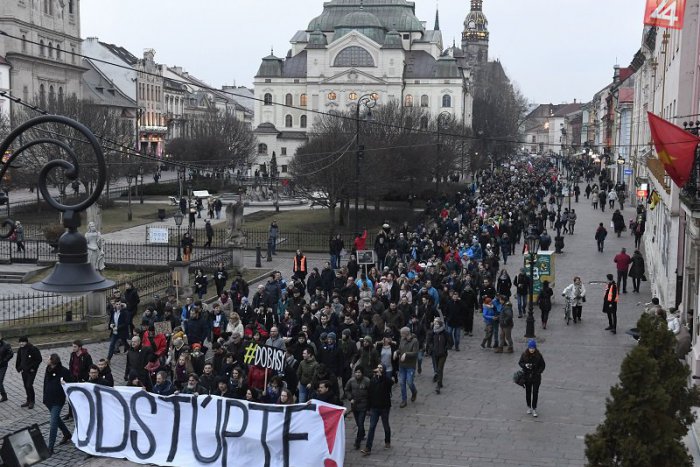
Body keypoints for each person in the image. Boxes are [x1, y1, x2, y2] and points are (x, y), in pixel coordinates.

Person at [43, 354, 72, 453]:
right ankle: (67, 434)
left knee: (53, 422)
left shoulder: (64, 371)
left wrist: (66, 384)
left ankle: (50, 447)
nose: (47, 360)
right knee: (56, 418)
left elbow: (72, 383)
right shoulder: (48, 369)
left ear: (52, 361)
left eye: (48, 358)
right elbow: (45, 383)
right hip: (48, 400)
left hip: (58, 401)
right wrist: (44, 397)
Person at [362, 364, 392, 455]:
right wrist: (368, 408)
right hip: (374, 408)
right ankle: (368, 447)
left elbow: (390, 383)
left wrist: (382, 376)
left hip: (384, 408)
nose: (379, 369)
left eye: (381, 368)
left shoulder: (386, 380)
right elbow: (369, 394)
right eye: (378, 367)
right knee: (371, 427)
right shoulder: (373, 380)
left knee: (385, 425)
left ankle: (387, 440)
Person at [344, 367, 370, 450]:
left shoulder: (367, 381)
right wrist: (350, 398)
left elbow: (371, 392)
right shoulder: (351, 381)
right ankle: (362, 434)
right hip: (354, 406)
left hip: (363, 405)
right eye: (356, 372)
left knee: (360, 423)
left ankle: (357, 442)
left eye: (359, 372)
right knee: (358, 423)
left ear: (362, 373)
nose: (358, 374)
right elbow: (346, 390)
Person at [519, 339, 546, 418]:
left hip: (536, 377)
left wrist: (538, 372)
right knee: (528, 392)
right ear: (528, 348)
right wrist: (525, 365)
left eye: (533, 348)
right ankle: (528, 407)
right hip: (527, 377)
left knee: (535, 392)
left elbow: (543, 365)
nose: (532, 350)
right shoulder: (524, 354)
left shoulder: (538, 355)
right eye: (530, 348)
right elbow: (520, 362)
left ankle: (534, 408)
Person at [426, 317, 451, 394]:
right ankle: (440, 382)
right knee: (437, 369)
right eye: (435, 323)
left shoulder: (445, 333)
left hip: (443, 354)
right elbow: (429, 342)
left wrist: (445, 348)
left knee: (440, 369)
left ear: (440, 324)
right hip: (434, 353)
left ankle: (438, 386)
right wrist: (431, 348)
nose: (436, 324)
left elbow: (450, 342)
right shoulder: (432, 332)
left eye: (437, 323)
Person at [16, 336, 41, 409]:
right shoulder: (20, 350)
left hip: (31, 371)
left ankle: (32, 401)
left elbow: (38, 359)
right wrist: (19, 368)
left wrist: (33, 368)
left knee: (29, 385)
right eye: (20, 342)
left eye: (23, 342)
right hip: (24, 371)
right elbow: (19, 359)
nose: (21, 343)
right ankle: (28, 400)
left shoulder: (33, 349)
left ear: (26, 342)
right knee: (25, 385)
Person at [397, 327, 418, 408]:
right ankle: (404, 400)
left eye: (402, 333)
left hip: (410, 365)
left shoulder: (415, 341)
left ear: (406, 333)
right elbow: (400, 349)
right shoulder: (402, 340)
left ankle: (414, 391)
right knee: (402, 383)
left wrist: (406, 354)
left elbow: (415, 353)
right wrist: (396, 352)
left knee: (409, 382)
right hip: (402, 365)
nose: (401, 335)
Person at [0, 335, 12, 402]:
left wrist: (4, 361)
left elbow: (10, 354)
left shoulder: (6, 345)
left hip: (2, 366)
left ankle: (4, 396)